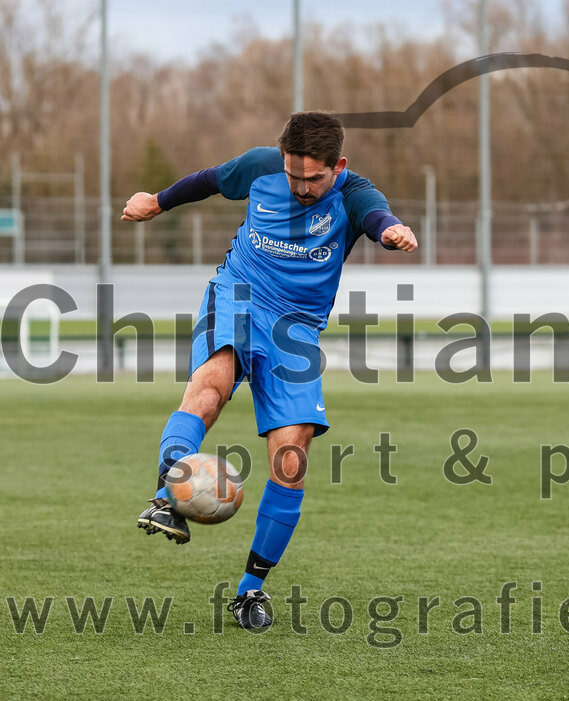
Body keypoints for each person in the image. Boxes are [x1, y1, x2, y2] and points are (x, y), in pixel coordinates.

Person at [121, 111, 417, 630]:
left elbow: (376, 216)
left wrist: (391, 230)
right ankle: (167, 495)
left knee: (291, 460)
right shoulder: (260, 166)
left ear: (338, 166)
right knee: (210, 390)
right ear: (282, 160)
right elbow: (209, 180)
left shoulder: (354, 193)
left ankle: (249, 590)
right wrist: (157, 201)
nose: (301, 187)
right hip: (237, 296)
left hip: (295, 331)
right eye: (293, 174)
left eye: (314, 178)